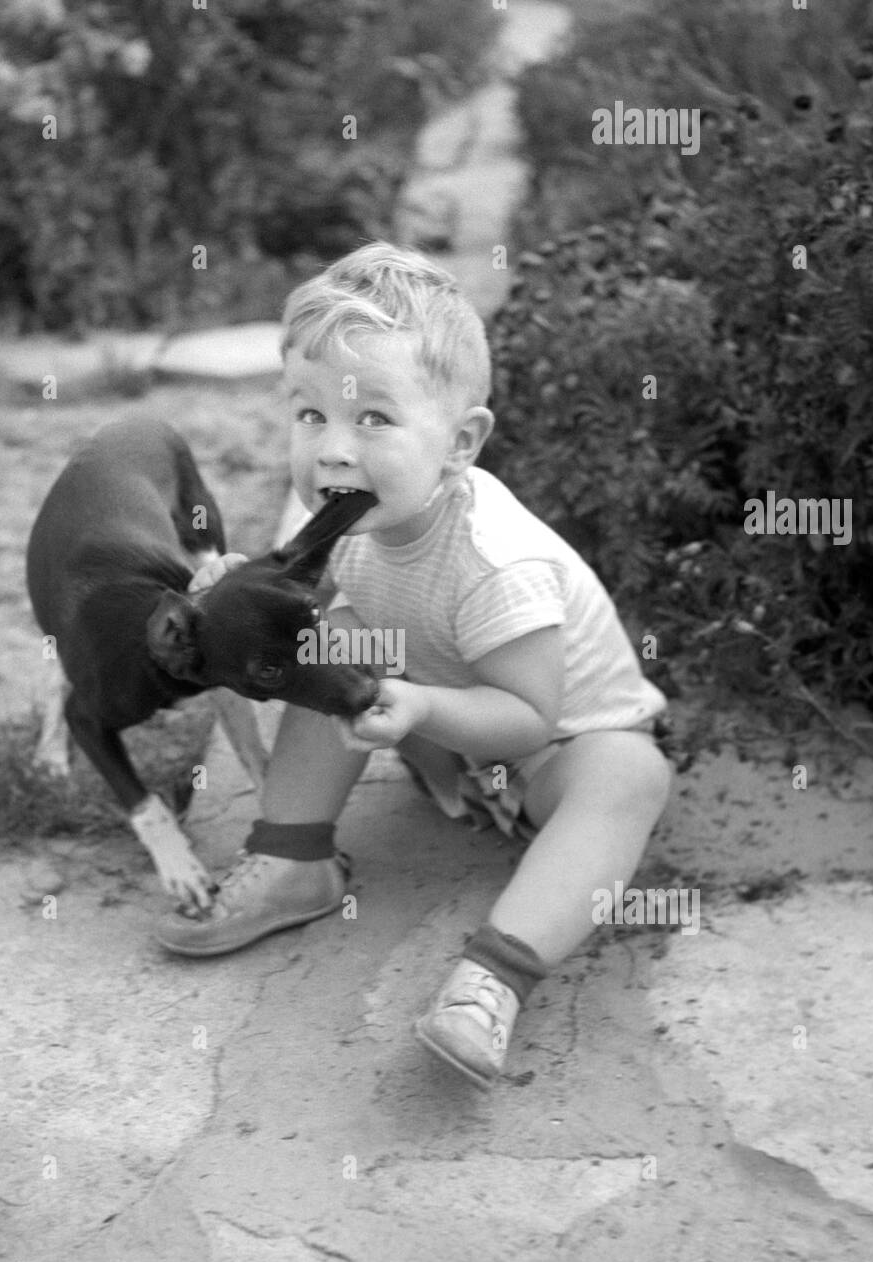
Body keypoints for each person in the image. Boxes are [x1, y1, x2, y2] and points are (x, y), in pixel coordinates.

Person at [158, 242, 672, 1089]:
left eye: (373, 419)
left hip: (551, 750)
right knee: (327, 644)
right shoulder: (345, 520)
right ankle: (293, 859)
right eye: (310, 414)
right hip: (442, 727)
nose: (332, 450)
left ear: (459, 442)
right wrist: (239, 601)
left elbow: (529, 718)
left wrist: (423, 712)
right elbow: (310, 616)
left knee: (629, 775)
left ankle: (492, 978)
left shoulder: (497, 562)